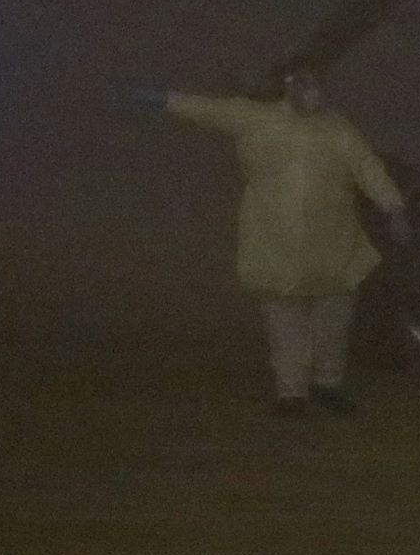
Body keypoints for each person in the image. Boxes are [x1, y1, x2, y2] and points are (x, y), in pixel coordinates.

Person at [149, 68, 405, 418]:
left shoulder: (338, 130)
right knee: (286, 325)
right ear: (289, 88)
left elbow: (367, 167)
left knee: (332, 324)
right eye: (305, 84)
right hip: (279, 243)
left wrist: (393, 206)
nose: (313, 91)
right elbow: (207, 109)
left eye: (316, 83)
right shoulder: (255, 119)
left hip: (332, 244)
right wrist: (163, 99)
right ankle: (292, 393)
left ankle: (327, 384)